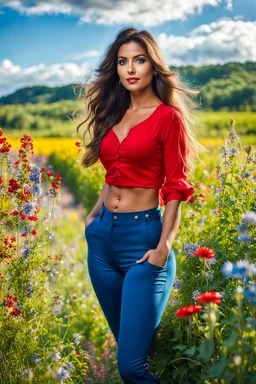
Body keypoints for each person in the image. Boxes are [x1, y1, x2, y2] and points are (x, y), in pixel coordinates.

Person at [76, 27, 204, 384]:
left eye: (139, 60)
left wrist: (164, 246)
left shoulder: (167, 118)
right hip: (101, 241)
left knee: (131, 368)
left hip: (144, 242)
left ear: (152, 66)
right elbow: (113, 172)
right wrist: (93, 215)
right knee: (130, 353)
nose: (130, 69)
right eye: (122, 61)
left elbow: (176, 186)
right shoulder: (113, 113)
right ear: (115, 68)